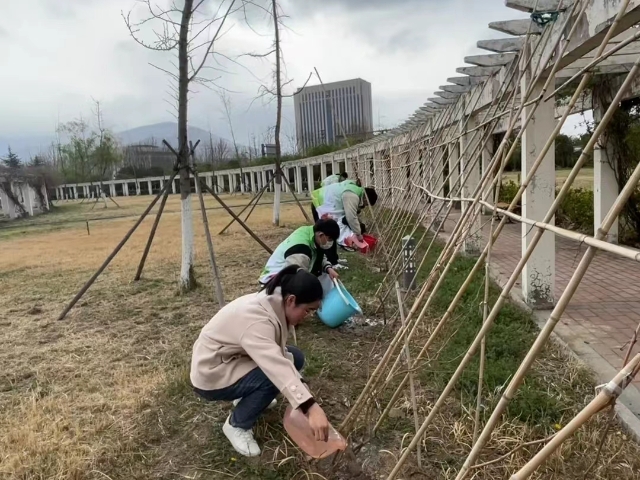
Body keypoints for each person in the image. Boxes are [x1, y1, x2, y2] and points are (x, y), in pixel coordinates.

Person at [190, 266, 330, 457]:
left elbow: (278, 356)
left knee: (295, 357)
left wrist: (303, 392)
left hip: (231, 360)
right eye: (308, 310)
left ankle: (246, 396)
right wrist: (310, 407)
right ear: (291, 300)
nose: (308, 316)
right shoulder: (257, 320)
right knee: (272, 377)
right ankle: (237, 425)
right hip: (212, 374)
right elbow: (275, 366)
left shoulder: (273, 302)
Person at [259, 218, 341, 297]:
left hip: (293, 272)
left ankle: (322, 305)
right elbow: (297, 278)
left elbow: (318, 255)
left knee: (326, 277)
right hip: (274, 280)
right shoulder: (301, 250)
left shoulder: (312, 233)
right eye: (330, 239)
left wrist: (328, 268)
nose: (331, 242)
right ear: (321, 235)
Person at [311, 180, 378, 249]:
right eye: (366, 204)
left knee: (330, 233)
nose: (364, 206)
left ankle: (331, 256)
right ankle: (321, 255)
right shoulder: (352, 195)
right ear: (366, 199)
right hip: (321, 204)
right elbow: (351, 217)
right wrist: (358, 234)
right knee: (325, 234)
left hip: (323, 202)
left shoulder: (354, 188)